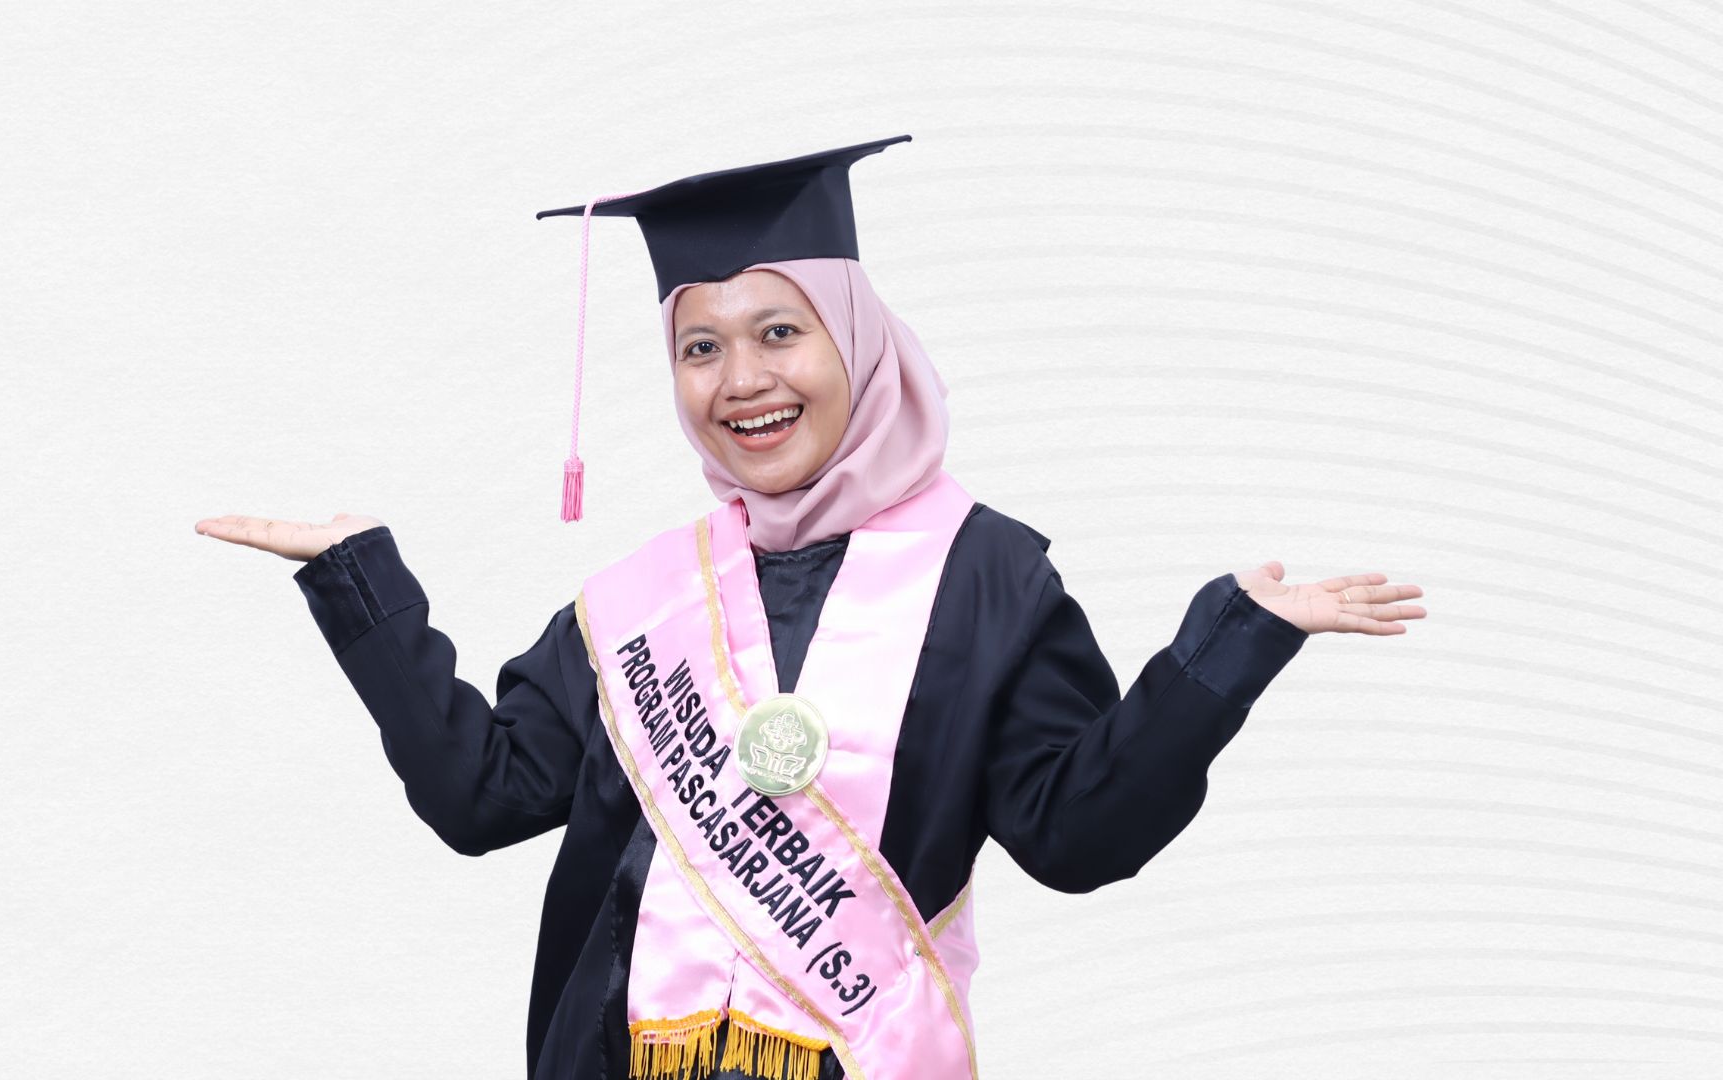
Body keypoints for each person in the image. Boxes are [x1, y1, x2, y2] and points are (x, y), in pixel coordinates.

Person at [195, 134, 1427, 1080]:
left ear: (856, 340)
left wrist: (1228, 650)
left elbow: (1077, 837)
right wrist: (359, 584)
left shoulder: (987, 580)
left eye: (779, 331)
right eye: (700, 348)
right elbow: (481, 799)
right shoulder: (640, 603)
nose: (742, 381)